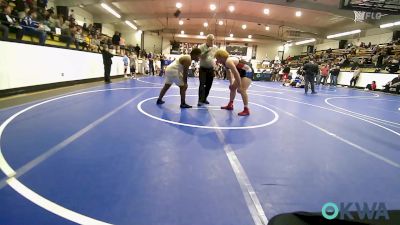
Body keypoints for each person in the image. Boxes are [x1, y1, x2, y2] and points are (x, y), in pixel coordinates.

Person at [215, 49, 253, 116]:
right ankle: (230, 105)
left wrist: (239, 84)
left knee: (241, 90)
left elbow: (236, 73)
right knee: (232, 88)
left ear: (221, 57)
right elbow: (229, 73)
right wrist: (231, 84)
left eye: (217, 58)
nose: (217, 61)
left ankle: (246, 109)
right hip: (241, 72)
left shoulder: (228, 61)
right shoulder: (225, 62)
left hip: (247, 71)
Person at [197, 34, 218, 106]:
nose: (212, 41)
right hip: (203, 69)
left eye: (213, 40)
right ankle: (200, 100)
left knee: (209, 85)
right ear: (207, 40)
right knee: (202, 84)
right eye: (211, 40)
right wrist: (207, 51)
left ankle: (204, 98)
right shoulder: (201, 47)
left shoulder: (215, 47)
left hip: (211, 69)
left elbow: (216, 56)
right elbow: (200, 57)